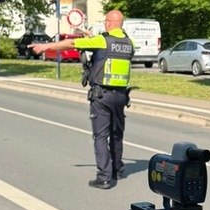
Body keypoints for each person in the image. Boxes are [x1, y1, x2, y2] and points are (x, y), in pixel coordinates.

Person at [29, 10, 134, 190]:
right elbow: (110, 51)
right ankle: (117, 170)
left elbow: (72, 43)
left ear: (109, 23)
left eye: (105, 21)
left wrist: (46, 47)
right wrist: (92, 38)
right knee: (116, 134)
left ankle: (104, 177)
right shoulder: (129, 43)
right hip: (121, 96)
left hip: (102, 95)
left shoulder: (102, 40)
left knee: (101, 136)